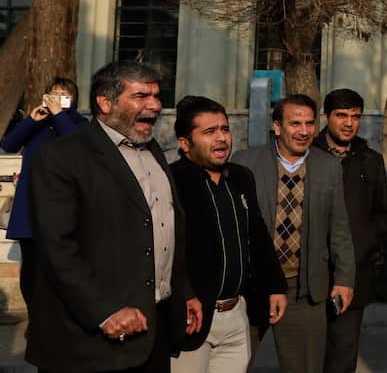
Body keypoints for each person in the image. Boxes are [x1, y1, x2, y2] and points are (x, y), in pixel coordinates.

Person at [25, 62, 201, 373]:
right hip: (88, 345)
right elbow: (57, 248)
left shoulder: (153, 151)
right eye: (141, 96)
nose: (155, 105)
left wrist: (181, 291)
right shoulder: (62, 157)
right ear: (105, 103)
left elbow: (164, 228)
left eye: (157, 96)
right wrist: (104, 312)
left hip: (152, 335)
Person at [236, 94, 355, 373]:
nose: (304, 131)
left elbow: (339, 228)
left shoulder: (329, 167)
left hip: (303, 290)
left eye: (310, 124)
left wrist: (345, 278)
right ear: (277, 127)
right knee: (232, 365)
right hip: (252, 287)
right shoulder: (245, 164)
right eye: (295, 123)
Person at [170, 96, 288, 373]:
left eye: (224, 129)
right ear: (185, 144)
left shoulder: (241, 177)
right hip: (193, 316)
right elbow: (166, 250)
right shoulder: (172, 181)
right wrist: (183, 296)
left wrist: (275, 284)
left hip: (236, 315)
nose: (221, 138)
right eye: (209, 132)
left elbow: (257, 236)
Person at [319, 89, 387, 373]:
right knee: (307, 354)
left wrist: (363, 244)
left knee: (343, 352)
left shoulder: (370, 160)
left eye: (355, 117)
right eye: (342, 115)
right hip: (309, 271)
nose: (349, 123)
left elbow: (383, 212)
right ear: (326, 117)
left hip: (353, 272)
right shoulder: (308, 155)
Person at [2, 76, 87, 303]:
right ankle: (34, 314)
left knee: (56, 264)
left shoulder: (79, 124)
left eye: (63, 95)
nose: (56, 100)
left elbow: (77, 145)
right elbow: (8, 145)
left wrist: (59, 115)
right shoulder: (37, 125)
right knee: (30, 264)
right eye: (53, 95)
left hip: (61, 205)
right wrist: (31, 119)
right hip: (30, 204)